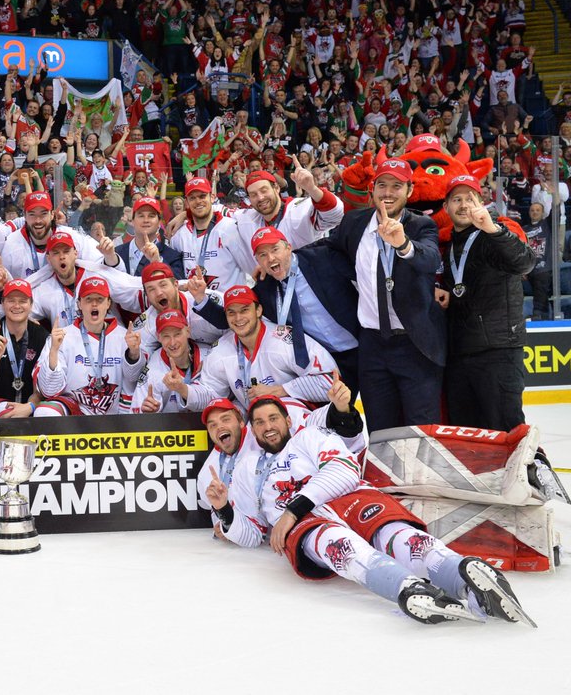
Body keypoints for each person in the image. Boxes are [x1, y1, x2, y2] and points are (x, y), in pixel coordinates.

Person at [210, 392, 533, 626]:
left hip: (345, 499)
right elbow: (251, 535)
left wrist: (291, 511)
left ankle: (459, 573)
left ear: (287, 421)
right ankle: (414, 588)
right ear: (251, 429)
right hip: (307, 525)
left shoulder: (309, 436)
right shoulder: (247, 471)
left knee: (397, 535)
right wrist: (225, 510)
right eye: (259, 421)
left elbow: (344, 470)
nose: (267, 426)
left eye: (273, 418)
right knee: (342, 547)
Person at [324, 159, 445, 431]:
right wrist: (283, 258)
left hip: (414, 344)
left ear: (410, 191)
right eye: (382, 185)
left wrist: (402, 244)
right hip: (372, 345)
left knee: (422, 430)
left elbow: (430, 259)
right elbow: (327, 250)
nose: (388, 193)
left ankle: (422, 477)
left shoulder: (421, 225)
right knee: (380, 429)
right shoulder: (355, 223)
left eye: (396, 186)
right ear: (372, 188)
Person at [439, 175, 535, 430]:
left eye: (469, 199)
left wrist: (492, 228)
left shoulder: (494, 235)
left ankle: (531, 470)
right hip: (460, 355)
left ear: (481, 203)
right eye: (456, 199)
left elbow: (525, 263)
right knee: (469, 435)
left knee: (506, 428)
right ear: (446, 207)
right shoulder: (448, 245)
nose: (462, 205)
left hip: (498, 351)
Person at [248, 226, 361, 398]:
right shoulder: (264, 290)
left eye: (275, 250)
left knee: (381, 412)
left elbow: (343, 237)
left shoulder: (322, 258)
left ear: (288, 247)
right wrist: (202, 300)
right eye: (263, 255)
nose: (270, 258)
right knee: (341, 417)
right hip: (328, 362)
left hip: (364, 347)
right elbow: (237, 314)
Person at [191, 285, 337, 411]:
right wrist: (183, 389)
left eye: (244, 310)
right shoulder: (220, 351)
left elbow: (330, 382)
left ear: (258, 310)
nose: (238, 318)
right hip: (255, 425)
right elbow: (211, 396)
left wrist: (279, 391)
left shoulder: (286, 340)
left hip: (298, 420)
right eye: (231, 312)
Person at [33, 276, 143, 416]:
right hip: (74, 413)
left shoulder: (124, 337)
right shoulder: (61, 337)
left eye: (100, 299)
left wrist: (134, 353)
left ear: (108, 303)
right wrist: (53, 351)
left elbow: (133, 380)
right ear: (79, 304)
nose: (94, 304)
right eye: (88, 299)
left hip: (115, 417)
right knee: (44, 412)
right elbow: (49, 390)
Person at [226, 163, 345, 277]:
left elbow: (335, 214)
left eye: (264, 190)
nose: (260, 198)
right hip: (277, 288)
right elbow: (216, 211)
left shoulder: (300, 208)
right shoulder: (248, 217)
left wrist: (312, 188)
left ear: (276, 187)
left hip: (314, 283)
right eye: (253, 194)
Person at [0, 278, 49, 418]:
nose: (17, 306)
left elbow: (44, 388)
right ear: (2, 303)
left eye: (23, 301)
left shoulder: (41, 336)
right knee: (4, 410)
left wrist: (29, 406)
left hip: (30, 406)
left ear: (31, 305)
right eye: (11, 300)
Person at [0, 191, 105, 279]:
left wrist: (111, 258)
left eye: (43, 214)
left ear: (52, 215)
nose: (38, 220)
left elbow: (101, 262)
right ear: (25, 217)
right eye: (32, 214)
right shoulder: (11, 244)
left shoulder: (71, 236)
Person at [167, 177, 241, 291]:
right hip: (193, 305)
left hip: (228, 305)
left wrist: (184, 214)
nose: (198, 201)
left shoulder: (231, 228)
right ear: (186, 202)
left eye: (202, 196)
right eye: (192, 198)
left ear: (212, 197)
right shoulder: (178, 236)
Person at [130, 310, 212, 413]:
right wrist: (149, 413)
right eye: (166, 336)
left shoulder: (208, 356)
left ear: (188, 331)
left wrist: (182, 388)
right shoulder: (152, 371)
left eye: (177, 334)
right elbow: (136, 414)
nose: (172, 343)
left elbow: (220, 397)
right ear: (158, 337)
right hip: (172, 427)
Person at [116, 196, 185, 279]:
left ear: (159, 222)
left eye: (151, 216)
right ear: (133, 221)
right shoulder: (117, 253)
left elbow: (178, 284)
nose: (146, 220)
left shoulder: (172, 256)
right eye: (141, 216)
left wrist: (158, 262)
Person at [521, 202, 554, 320]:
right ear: (529, 213)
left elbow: (556, 213)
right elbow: (521, 250)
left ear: (542, 213)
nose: (535, 212)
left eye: (537, 210)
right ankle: (544, 316)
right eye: (532, 210)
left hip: (544, 267)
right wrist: (522, 270)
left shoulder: (547, 224)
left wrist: (555, 196)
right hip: (530, 269)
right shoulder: (524, 229)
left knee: (541, 288)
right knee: (540, 292)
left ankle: (537, 314)